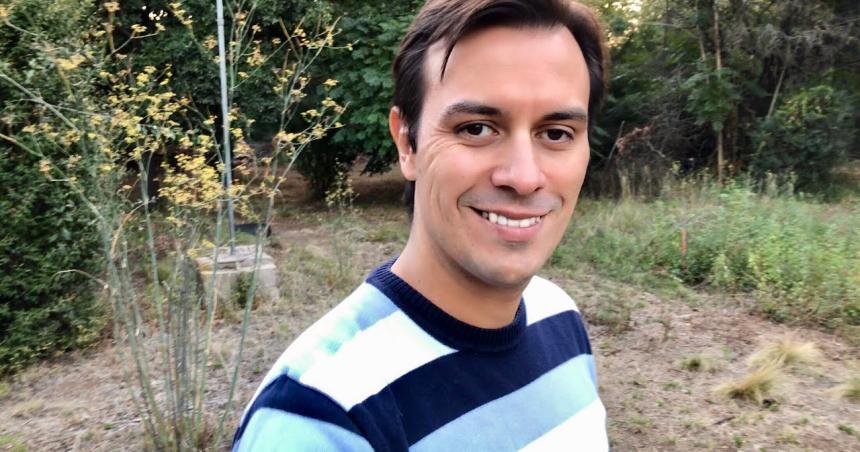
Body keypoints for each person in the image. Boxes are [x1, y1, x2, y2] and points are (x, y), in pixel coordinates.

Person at [232, 0, 609, 450]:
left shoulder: (558, 315)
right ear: (406, 142)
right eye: (476, 128)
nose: (524, 177)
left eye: (556, 133)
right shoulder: (318, 417)